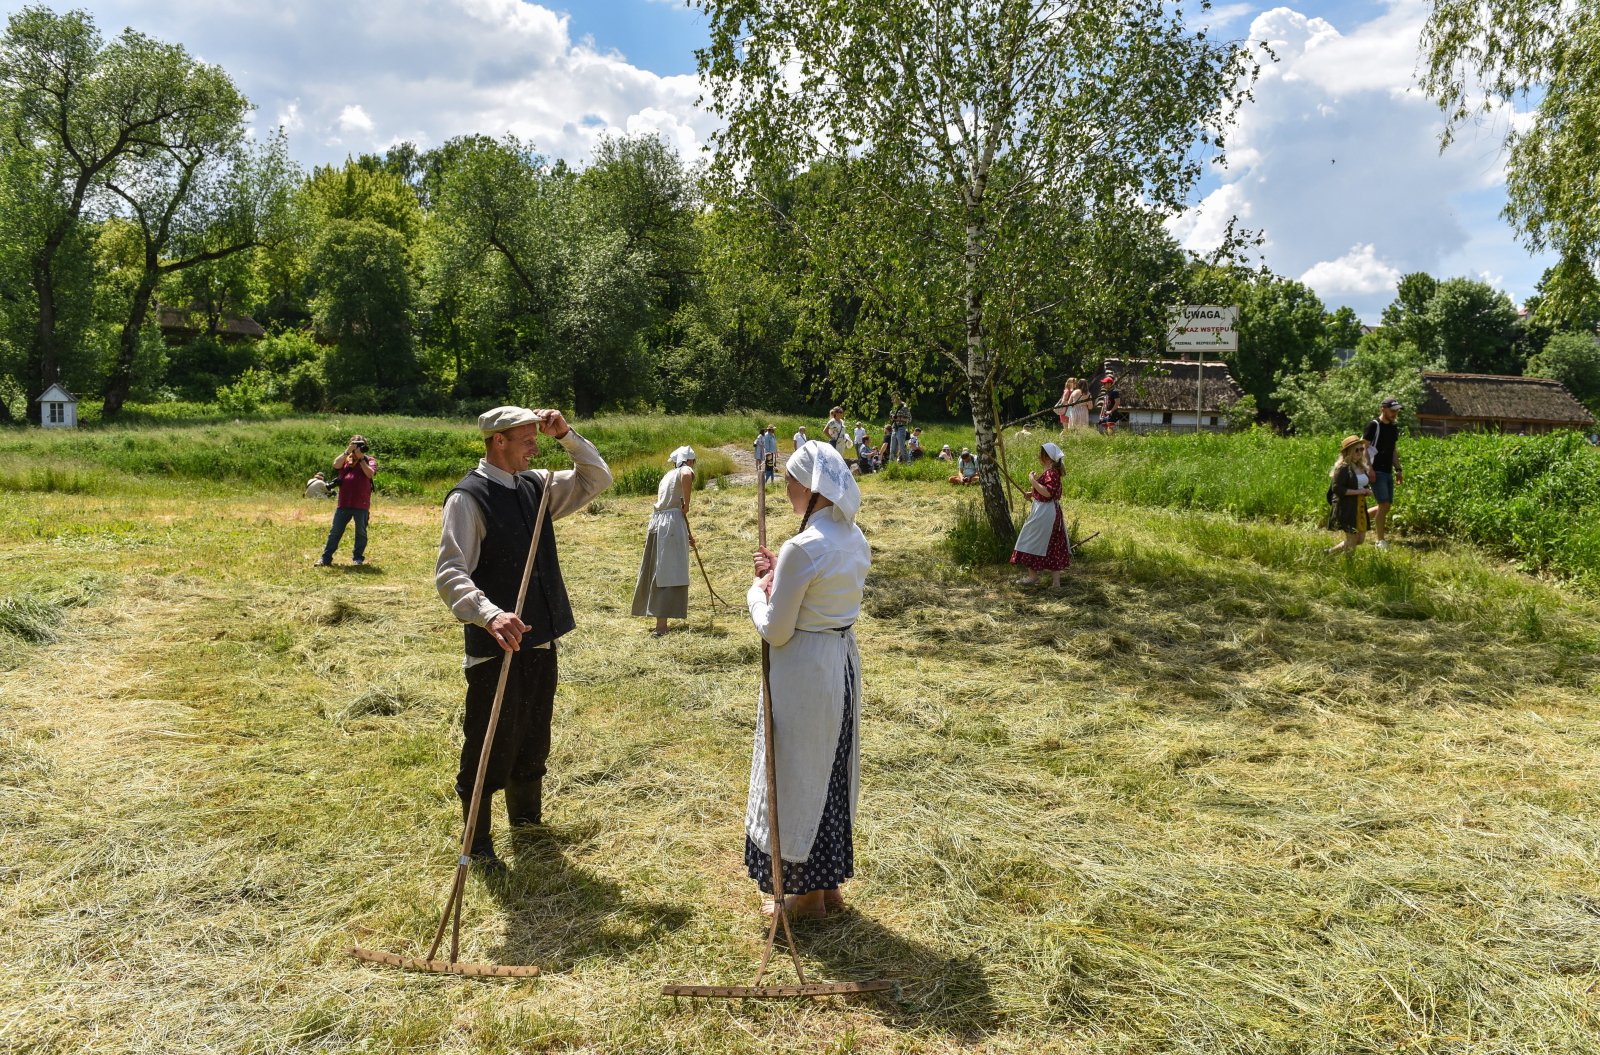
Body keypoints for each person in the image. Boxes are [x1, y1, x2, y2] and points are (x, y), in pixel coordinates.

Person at [435, 406, 613, 866]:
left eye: (538, 437)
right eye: (527, 438)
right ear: (498, 440)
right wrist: (489, 614)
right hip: (497, 646)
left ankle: (527, 825)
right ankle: (476, 844)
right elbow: (450, 573)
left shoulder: (537, 484)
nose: (537, 444)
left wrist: (566, 435)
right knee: (489, 742)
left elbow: (597, 478)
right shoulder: (468, 498)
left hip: (541, 638)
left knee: (533, 736)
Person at [746, 440, 870, 920]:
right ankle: (828, 886)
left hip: (804, 666)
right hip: (838, 661)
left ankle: (805, 899)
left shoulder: (801, 545)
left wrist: (756, 593)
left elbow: (777, 628)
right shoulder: (853, 537)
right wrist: (781, 576)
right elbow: (819, 592)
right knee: (830, 768)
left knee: (800, 773)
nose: (787, 490)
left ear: (812, 486)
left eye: (791, 481)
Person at [632, 447, 696, 635]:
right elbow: (686, 473)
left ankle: (659, 620)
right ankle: (662, 626)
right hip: (670, 525)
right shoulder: (684, 470)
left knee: (658, 570)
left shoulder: (668, 475)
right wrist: (688, 503)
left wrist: (686, 532)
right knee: (668, 571)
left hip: (659, 522)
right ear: (690, 461)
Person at [1010, 442, 1070, 587]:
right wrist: (1033, 493)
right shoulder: (1051, 472)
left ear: (1048, 458)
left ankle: (1035, 577)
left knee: (1032, 540)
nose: (1038, 457)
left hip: (1046, 512)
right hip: (1047, 510)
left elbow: (1048, 493)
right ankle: (1051, 582)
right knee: (1051, 543)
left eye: (1041, 455)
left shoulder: (1051, 473)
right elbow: (1047, 492)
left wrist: (1032, 481)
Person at [314, 435, 377, 566]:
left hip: (361, 502)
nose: (358, 448)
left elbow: (370, 474)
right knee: (335, 531)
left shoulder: (369, 459)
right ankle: (326, 558)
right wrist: (347, 451)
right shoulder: (346, 458)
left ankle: (358, 558)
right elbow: (336, 464)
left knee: (361, 531)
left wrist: (361, 460)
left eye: (361, 445)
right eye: (355, 444)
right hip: (343, 502)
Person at [1363, 397, 1404, 550]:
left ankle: (1357, 519)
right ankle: (1380, 541)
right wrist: (1370, 469)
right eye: (1392, 411)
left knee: (1386, 506)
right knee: (1383, 504)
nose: (1395, 414)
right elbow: (1364, 448)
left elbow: (1393, 450)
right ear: (1383, 410)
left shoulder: (1393, 427)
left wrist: (1398, 470)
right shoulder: (1373, 426)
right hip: (1375, 469)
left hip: (1387, 470)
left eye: (1397, 411)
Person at [1325, 435, 1372, 555]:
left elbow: (1362, 484)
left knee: (1360, 540)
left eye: (1361, 449)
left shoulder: (1361, 466)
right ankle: (1349, 567)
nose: (1360, 452)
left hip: (1360, 505)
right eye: (1356, 449)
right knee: (1352, 539)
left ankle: (1331, 552)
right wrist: (1357, 492)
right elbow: (1337, 489)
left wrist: (1367, 491)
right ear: (1348, 451)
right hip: (1346, 506)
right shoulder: (1343, 467)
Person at [888, 396, 911, 464]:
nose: (892, 401)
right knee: (892, 449)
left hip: (901, 428)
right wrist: (892, 418)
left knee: (902, 448)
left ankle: (908, 463)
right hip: (894, 428)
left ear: (897, 398)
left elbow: (909, 419)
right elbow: (893, 417)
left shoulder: (905, 407)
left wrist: (899, 419)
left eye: (893, 399)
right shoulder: (894, 407)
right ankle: (892, 466)